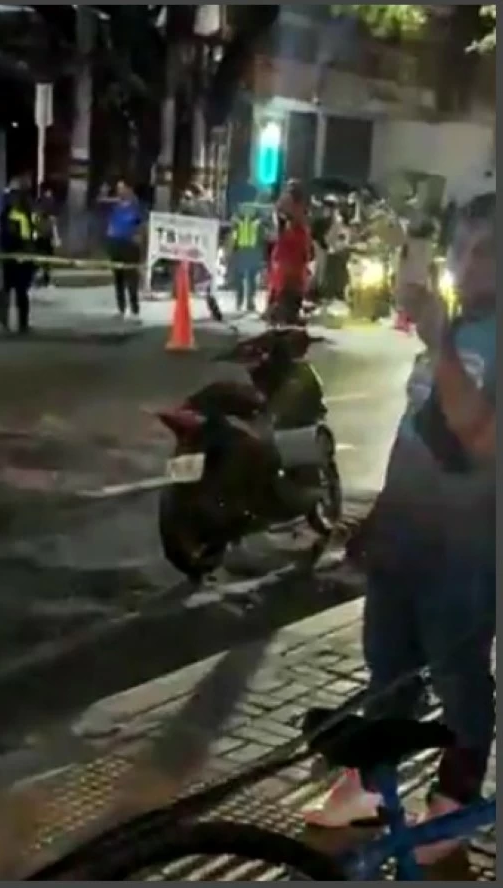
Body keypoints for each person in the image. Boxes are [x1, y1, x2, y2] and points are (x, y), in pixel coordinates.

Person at [303, 179, 495, 865]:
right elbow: (417, 433)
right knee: (389, 666)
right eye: (463, 250)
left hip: (467, 551)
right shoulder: (456, 330)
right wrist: (378, 518)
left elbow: (481, 439)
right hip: (407, 541)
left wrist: (441, 343)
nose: (468, 265)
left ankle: (456, 802)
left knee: (459, 677)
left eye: (486, 252)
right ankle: (373, 785)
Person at [0, 179, 38, 335]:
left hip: (24, 258)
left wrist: (31, 253)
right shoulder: (6, 214)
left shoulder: (26, 212)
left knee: (22, 292)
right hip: (10, 257)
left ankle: (23, 324)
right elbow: (6, 236)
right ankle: (2, 323)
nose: (17, 198)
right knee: (4, 291)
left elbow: (30, 234)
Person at [266, 180, 312, 325]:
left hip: (288, 254)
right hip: (290, 254)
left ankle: (280, 313)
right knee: (289, 285)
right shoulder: (295, 211)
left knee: (284, 285)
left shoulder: (289, 208)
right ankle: (282, 314)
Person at [106, 178, 144, 319]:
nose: (119, 191)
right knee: (118, 279)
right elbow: (111, 224)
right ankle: (121, 308)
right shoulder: (115, 207)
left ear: (129, 189)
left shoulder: (136, 206)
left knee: (131, 279)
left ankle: (135, 309)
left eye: (122, 188)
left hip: (130, 247)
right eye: (118, 188)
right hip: (116, 245)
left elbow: (140, 227)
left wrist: (138, 240)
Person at [228, 200, 266, 314]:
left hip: (252, 252)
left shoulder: (258, 222)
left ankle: (249, 303)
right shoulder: (237, 221)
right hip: (242, 251)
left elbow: (263, 237)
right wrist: (231, 249)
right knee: (241, 279)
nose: (247, 211)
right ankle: (241, 302)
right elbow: (233, 236)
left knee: (251, 279)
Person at [33, 183, 60, 289]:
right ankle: (43, 280)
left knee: (43, 259)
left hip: (43, 235)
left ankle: (42, 280)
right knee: (44, 259)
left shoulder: (40, 203)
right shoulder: (45, 203)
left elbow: (52, 222)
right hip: (44, 235)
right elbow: (52, 221)